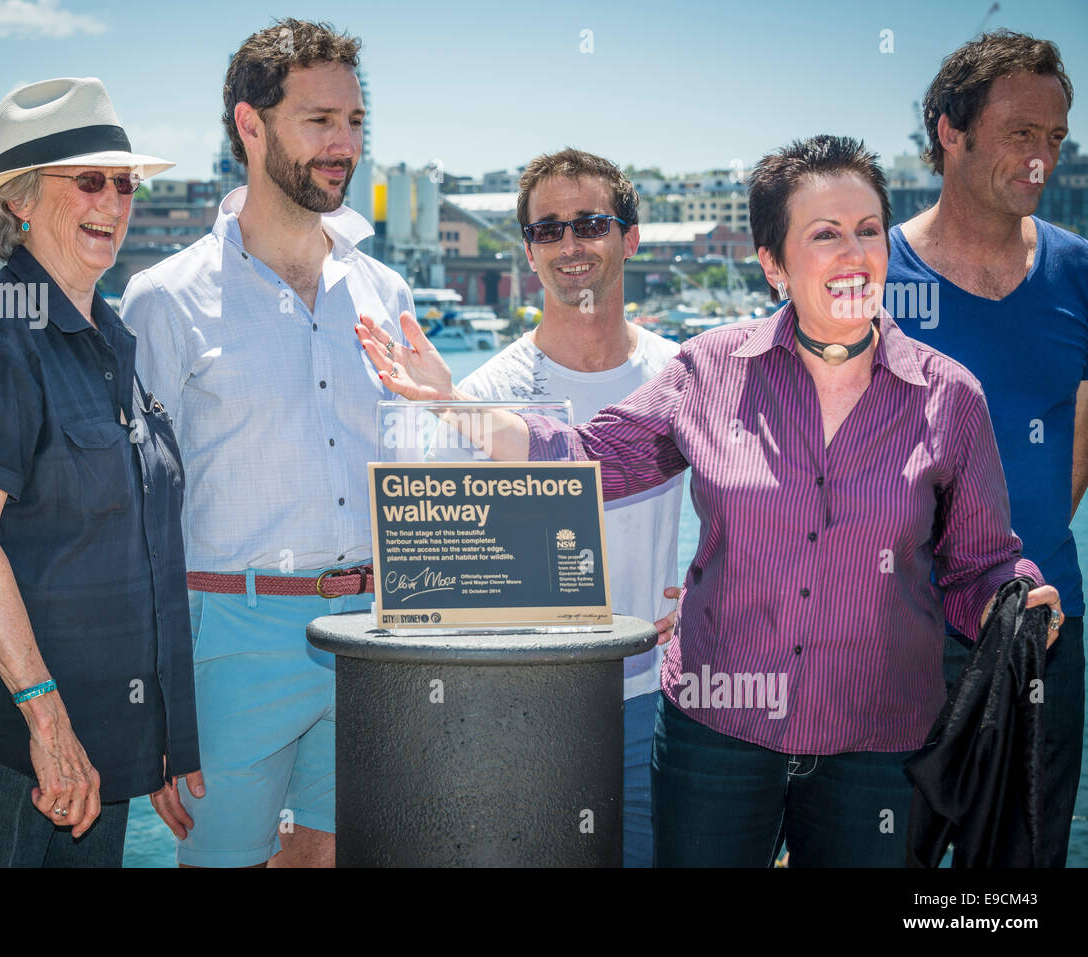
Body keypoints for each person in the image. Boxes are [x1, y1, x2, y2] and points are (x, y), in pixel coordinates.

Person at [359, 135, 1063, 867]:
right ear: (773, 264)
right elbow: (587, 458)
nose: (853, 254)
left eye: (866, 232)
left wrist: (1008, 598)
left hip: (879, 742)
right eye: (824, 234)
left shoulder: (951, 395)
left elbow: (979, 563)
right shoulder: (708, 370)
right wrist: (450, 405)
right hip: (715, 735)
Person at [121, 18, 412, 868]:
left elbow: (426, 459)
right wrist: (157, 707)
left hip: (374, 625)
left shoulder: (386, 290)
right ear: (251, 125)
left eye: (355, 122)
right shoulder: (163, 300)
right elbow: (137, 512)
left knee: (327, 852)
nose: (345, 144)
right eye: (320, 120)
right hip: (229, 630)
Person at [0, 77, 201, 867]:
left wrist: (166, 736)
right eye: (89, 180)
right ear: (22, 201)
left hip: (97, 744)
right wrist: (47, 720)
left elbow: (139, 550)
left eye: (124, 182)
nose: (114, 199)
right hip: (7, 748)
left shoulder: (113, 339)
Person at [889, 30, 1087, 868]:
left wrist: (1011, 553)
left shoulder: (1080, 272)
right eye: (1020, 134)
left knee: (1015, 884)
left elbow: (1078, 440)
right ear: (950, 130)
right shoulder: (874, 274)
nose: (1041, 158)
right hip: (890, 636)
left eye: (1055, 138)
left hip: (1038, 628)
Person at [454, 148, 681, 867]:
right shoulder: (483, 396)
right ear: (527, 251)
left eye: (590, 223)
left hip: (660, 702)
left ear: (630, 237)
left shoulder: (685, 375)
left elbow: (748, 515)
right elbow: (458, 580)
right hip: (528, 707)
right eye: (548, 230)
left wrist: (712, 588)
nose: (570, 245)